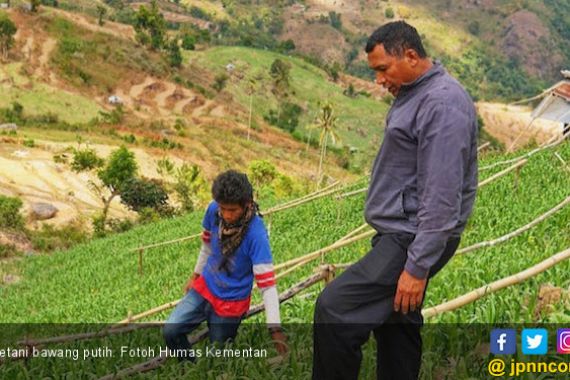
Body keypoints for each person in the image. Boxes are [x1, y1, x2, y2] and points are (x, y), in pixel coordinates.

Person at [312, 21, 478, 380]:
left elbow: (442, 193)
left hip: (411, 238)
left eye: (383, 69)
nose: (378, 80)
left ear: (412, 56)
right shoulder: (416, 93)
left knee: (335, 310)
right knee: (397, 323)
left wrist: (416, 267)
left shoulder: (442, 104)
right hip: (403, 234)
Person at [163, 170, 287, 361]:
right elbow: (206, 245)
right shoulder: (214, 210)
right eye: (223, 209)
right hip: (206, 285)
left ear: (246, 204)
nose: (226, 215)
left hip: (231, 301)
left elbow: (267, 285)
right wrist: (195, 276)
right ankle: (188, 364)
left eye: (232, 210)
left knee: (217, 356)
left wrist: (275, 329)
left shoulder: (256, 234)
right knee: (171, 330)